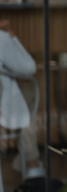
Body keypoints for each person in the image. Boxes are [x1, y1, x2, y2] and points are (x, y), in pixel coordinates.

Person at [0, 19, 41, 179]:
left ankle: (28, 162)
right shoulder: (1, 39)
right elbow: (28, 68)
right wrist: (11, 35)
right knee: (28, 94)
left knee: (25, 95)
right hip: (4, 107)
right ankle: (31, 164)